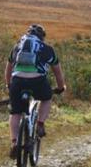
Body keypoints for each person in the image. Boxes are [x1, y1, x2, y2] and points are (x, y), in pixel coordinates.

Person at [5, 24, 66, 159]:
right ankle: (40, 124)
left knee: (15, 112)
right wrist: (61, 87)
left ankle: (14, 142)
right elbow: (57, 72)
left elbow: (8, 68)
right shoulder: (47, 48)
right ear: (42, 37)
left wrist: (8, 84)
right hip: (37, 80)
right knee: (46, 98)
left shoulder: (17, 46)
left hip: (17, 81)